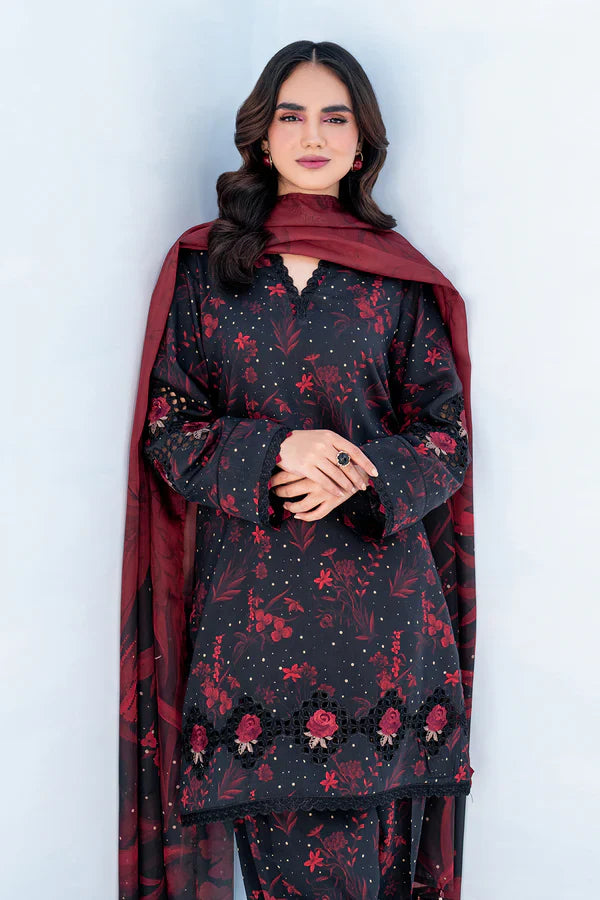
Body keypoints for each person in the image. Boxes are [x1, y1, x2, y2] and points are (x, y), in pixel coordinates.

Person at [119, 40, 476, 900]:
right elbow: (168, 426)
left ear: (361, 144)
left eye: (333, 115)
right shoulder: (208, 269)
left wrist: (354, 472)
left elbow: (446, 436)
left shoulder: (398, 280)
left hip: (386, 631)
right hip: (251, 635)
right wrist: (282, 449)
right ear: (262, 136)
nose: (311, 133)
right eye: (291, 114)